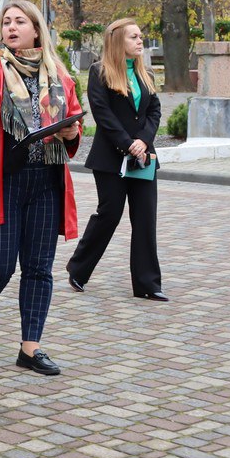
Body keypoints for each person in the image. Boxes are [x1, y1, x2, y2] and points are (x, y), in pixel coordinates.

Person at [0, 0, 82, 376]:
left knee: (39, 269)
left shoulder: (59, 74)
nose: (11, 27)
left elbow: (73, 121)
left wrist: (72, 131)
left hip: (46, 181)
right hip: (2, 181)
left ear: (36, 29)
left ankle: (30, 348)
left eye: (19, 21)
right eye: (6, 22)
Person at [65, 18, 167, 301]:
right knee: (109, 214)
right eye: (133, 36)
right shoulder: (100, 72)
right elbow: (103, 114)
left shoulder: (145, 73)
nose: (140, 41)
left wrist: (143, 142)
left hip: (143, 158)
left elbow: (154, 111)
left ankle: (148, 284)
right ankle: (78, 268)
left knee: (146, 217)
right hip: (111, 158)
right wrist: (127, 144)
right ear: (117, 40)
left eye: (140, 36)